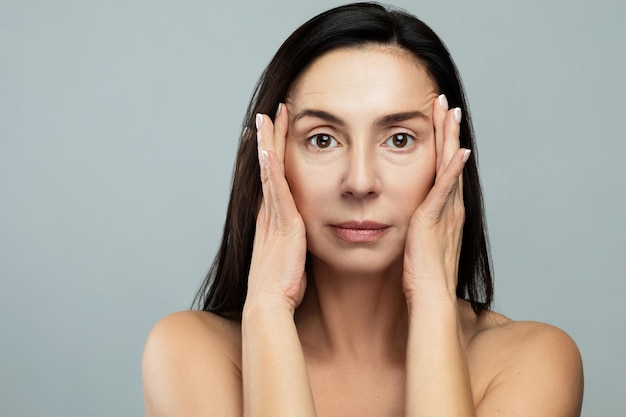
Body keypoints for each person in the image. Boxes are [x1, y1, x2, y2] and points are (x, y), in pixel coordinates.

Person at [141, 3, 584, 416]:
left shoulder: (533, 359)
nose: (359, 183)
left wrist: (432, 300)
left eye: (399, 139)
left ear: (449, 156)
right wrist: (267, 309)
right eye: (322, 139)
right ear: (268, 155)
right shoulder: (190, 351)